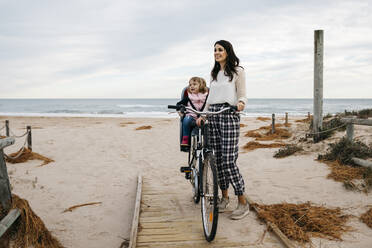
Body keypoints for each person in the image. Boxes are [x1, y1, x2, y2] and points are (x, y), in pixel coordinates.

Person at [198, 40, 249, 220]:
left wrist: (241, 103)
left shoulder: (237, 71)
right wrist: (202, 115)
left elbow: (242, 94)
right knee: (217, 161)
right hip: (213, 115)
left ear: (228, 51)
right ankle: (224, 197)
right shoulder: (214, 74)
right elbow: (210, 99)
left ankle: (242, 201)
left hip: (228, 114)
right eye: (214, 50)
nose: (217, 52)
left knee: (228, 161)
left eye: (220, 50)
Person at [177, 77, 208, 146]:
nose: (191, 86)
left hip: (203, 117)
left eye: (194, 84)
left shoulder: (206, 97)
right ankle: (185, 138)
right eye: (190, 85)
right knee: (186, 120)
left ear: (201, 85)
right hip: (191, 117)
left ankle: (207, 145)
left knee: (208, 125)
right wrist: (180, 110)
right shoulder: (188, 97)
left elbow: (210, 105)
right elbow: (179, 104)